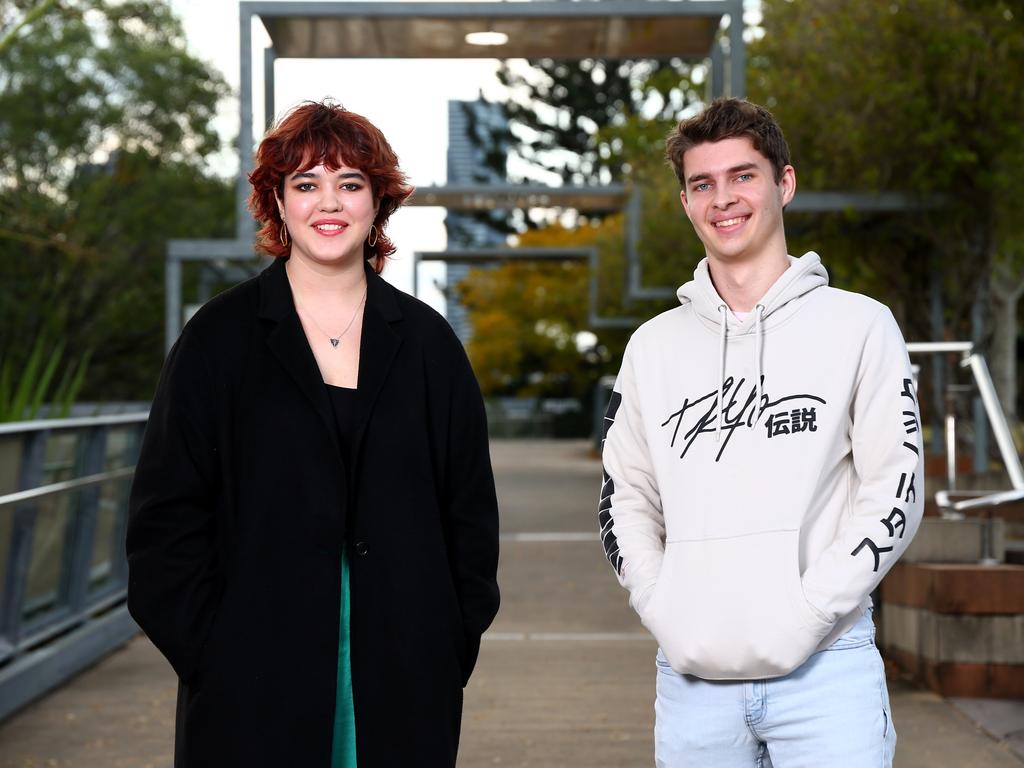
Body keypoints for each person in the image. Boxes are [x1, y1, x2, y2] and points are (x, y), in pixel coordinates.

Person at [126, 100, 500, 767]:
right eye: (306, 183)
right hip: (251, 685)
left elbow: (469, 519)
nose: (329, 203)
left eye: (350, 183)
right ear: (278, 199)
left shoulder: (429, 346)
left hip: (403, 678)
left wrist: (445, 649)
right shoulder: (217, 340)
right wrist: (213, 654)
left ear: (377, 202)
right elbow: (164, 520)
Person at [598, 98, 923, 767]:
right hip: (693, 685)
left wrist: (809, 612)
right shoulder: (652, 348)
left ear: (785, 183)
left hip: (828, 675)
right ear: (686, 202)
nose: (724, 198)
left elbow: (897, 484)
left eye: (743, 176)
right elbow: (624, 496)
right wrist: (665, 608)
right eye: (702, 183)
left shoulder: (860, 327)